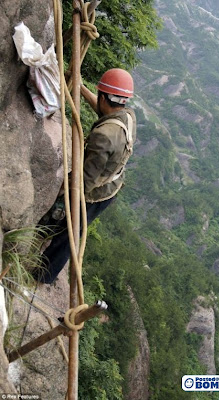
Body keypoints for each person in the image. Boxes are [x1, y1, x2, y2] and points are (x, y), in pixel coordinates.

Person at [33, 68, 136, 284]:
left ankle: (43, 276)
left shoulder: (103, 137)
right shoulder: (127, 116)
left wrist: (67, 193)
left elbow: (86, 181)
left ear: (104, 98)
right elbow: (104, 111)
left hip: (95, 193)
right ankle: (44, 235)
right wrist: (79, 88)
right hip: (112, 186)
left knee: (70, 232)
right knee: (67, 223)